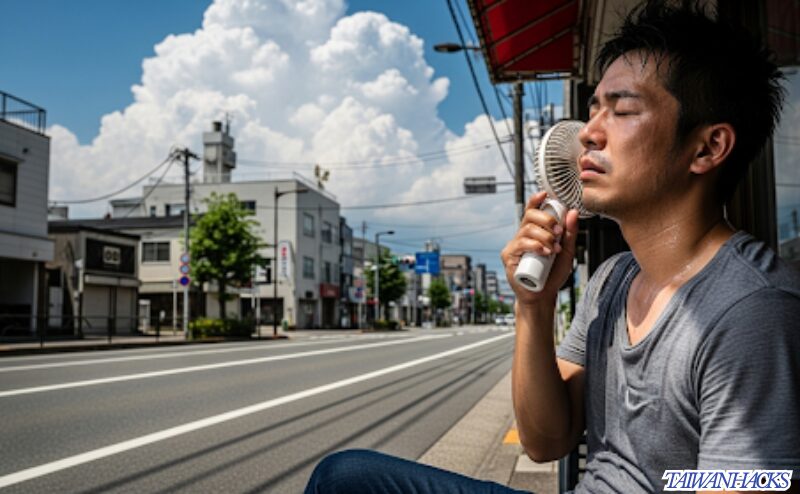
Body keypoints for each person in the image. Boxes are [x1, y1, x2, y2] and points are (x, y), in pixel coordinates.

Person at [304, 2, 800, 493]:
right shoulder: (613, 280)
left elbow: (752, 479)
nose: (589, 133)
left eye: (623, 110)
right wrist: (534, 307)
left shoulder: (753, 312)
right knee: (345, 477)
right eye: (594, 109)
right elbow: (544, 442)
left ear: (708, 147)